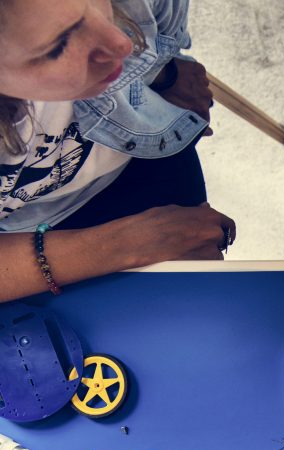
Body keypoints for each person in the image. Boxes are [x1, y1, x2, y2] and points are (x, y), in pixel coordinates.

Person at [0, 0, 235, 303]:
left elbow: (160, 44)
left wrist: (165, 72)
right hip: (32, 231)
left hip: (146, 151)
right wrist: (119, 246)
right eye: (58, 46)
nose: (121, 43)